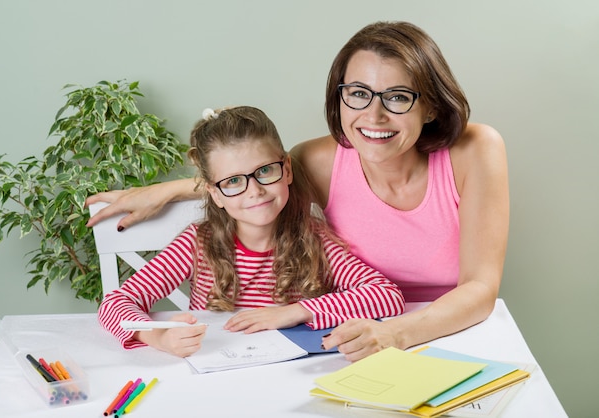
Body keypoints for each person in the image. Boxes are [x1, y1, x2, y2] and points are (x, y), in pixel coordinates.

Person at [89, 21, 509, 361]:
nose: (374, 115)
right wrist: (166, 191)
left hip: (445, 332)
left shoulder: (476, 150)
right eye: (358, 94)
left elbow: (477, 290)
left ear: (430, 105)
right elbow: (250, 178)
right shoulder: (317, 160)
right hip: (344, 339)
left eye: (397, 96)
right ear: (339, 98)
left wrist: (389, 333)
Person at [97, 106, 405, 358]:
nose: (254, 191)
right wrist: (158, 336)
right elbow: (114, 304)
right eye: (232, 181)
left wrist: (294, 312)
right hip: (214, 375)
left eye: (264, 171)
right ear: (214, 193)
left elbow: (386, 297)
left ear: (286, 168)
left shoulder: (314, 239)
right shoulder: (197, 244)